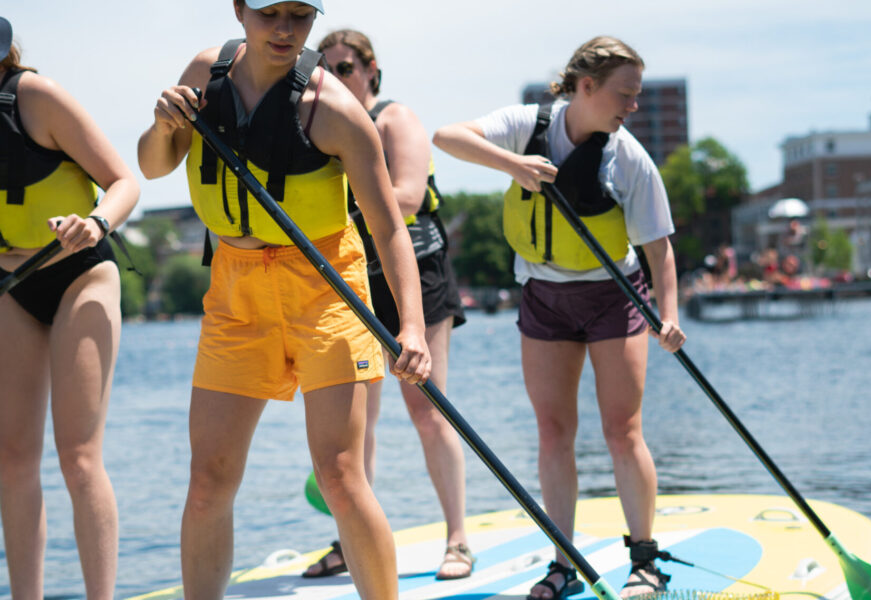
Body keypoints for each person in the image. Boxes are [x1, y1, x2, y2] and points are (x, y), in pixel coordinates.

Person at [136, 2, 430, 599]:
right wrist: (165, 125)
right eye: (270, 13)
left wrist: (416, 330)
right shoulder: (205, 74)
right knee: (208, 481)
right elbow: (152, 165)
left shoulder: (338, 111)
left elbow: (390, 228)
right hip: (235, 289)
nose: (284, 29)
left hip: (325, 287)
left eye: (300, 15)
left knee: (343, 477)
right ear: (240, 10)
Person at [433, 36, 687, 600]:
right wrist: (511, 164)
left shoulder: (629, 156)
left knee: (622, 431)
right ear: (586, 86)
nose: (633, 106)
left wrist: (666, 317)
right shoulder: (528, 126)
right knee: (554, 433)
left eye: (639, 95)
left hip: (612, 297)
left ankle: (644, 560)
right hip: (544, 298)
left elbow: (660, 249)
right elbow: (445, 137)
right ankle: (562, 563)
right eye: (626, 93)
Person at [302, 29, 472, 581]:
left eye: (347, 68)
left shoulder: (396, 119)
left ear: (372, 70)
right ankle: (349, 541)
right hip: (352, 281)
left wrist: (333, 204)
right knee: (354, 424)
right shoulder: (321, 126)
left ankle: (459, 540)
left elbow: (407, 197)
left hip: (415, 277)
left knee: (427, 411)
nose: (339, 79)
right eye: (326, 71)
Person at [0, 17, 140, 600]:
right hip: (11, 287)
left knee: (79, 457)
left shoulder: (38, 97)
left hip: (80, 275)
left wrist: (96, 222)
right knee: (11, 459)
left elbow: (124, 180)